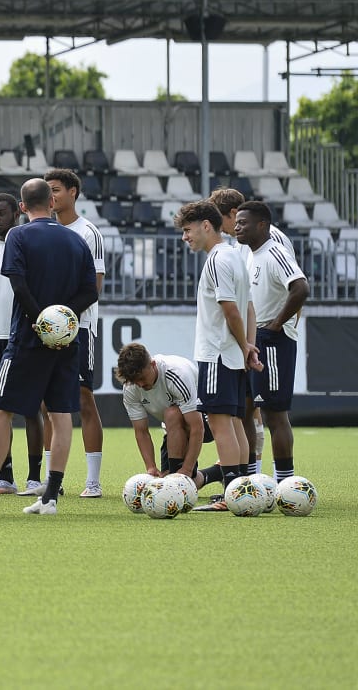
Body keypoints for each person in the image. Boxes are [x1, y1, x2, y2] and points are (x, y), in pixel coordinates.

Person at [0, 178, 98, 516]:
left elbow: (18, 283)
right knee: (61, 413)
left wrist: (41, 319)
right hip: (66, 341)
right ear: (51, 204)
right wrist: (62, 319)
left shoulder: (18, 235)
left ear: (22, 208)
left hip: (26, 338)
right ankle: (50, 497)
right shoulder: (75, 240)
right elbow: (91, 292)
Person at [173, 200, 262, 512]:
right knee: (235, 424)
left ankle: (230, 494)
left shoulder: (217, 260)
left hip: (217, 356)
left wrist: (245, 346)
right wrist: (248, 347)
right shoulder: (236, 256)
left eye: (187, 230)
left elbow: (231, 309)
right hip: (233, 356)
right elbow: (249, 307)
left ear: (206, 226)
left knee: (222, 425)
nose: (185, 237)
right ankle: (240, 489)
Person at [235, 200, 309, 482]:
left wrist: (276, 325)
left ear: (262, 225)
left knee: (274, 414)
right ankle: (253, 480)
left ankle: (284, 483)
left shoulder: (274, 252)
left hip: (273, 341)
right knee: (245, 409)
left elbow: (300, 287)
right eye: (237, 222)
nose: (238, 227)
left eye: (244, 223)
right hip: (255, 339)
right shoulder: (251, 254)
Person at [0, 194, 45, 496]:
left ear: (16, 214)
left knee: (31, 409)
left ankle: (34, 477)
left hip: (20, 335)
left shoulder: (26, 246)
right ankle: (5, 475)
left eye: (0, 214)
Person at [47, 168, 107, 498]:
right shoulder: (42, 229)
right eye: (48, 190)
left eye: (56, 189)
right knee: (47, 402)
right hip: (46, 330)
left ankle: (93, 480)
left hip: (79, 327)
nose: (52, 195)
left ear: (73, 192)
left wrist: (62, 314)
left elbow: (94, 286)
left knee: (84, 398)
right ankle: (49, 478)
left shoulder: (88, 232)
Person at [113, 343, 223, 491]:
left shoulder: (176, 375)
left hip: (207, 421)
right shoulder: (131, 388)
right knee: (170, 483)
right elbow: (141, 432)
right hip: (174, 429)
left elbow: (197, 428)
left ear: (152, 364)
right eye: (135, 381)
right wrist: (151, 467)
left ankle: (189, 474)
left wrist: (186, 469)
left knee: (172, 413)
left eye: (142, 378)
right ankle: (218, 471)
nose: (140, 384)